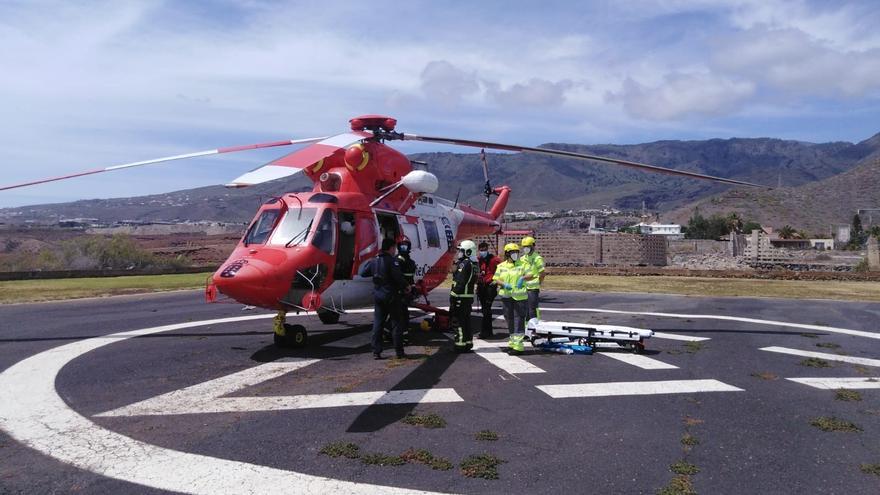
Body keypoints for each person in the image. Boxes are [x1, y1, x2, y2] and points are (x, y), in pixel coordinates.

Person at [370, 238, 407, 359]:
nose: (395, 250)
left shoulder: (374, 260)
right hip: (391, 296)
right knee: (396, 323)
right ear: (391, 248)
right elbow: (398, 278)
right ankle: (399, 352)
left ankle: (376, 351)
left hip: (378, 296)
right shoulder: (392, 261)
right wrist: (407, 286)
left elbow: (364, 272)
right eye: (394, 248)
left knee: (378, 323)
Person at [493, 243, 530, 353]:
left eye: (516, 252)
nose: (515, 254)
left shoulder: (523, 264)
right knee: (509, 318)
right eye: (513, 252)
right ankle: (512, 342)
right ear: (507, 254)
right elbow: (496, 278)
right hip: (506, 296)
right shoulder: (501, 266)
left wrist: (522, 278)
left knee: (519, 319)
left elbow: (531, 274)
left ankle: (518, 346)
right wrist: (504, 284)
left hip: (520, 297)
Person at [450, 239, 478, 352]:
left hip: (460, 296)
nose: (459, 253)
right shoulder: (474, 264)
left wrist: (453, 294)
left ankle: (460, 344)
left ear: (468, 252)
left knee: (458, 321)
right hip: (468, 297)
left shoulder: (465, 264)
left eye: (461, 251)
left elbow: (460, 282)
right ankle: (467, 342)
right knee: (466, 321)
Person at [476, 241, 501, 338]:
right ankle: (488, 331)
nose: (483, 251)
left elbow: (502, 268)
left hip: (490, 286)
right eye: (481, 250)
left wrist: (496, 280)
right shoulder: (479, 260)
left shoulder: (494, 259)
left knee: (486, 309)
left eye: (485, 250)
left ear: (487, 249)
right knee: (485, 310)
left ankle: (484, 332)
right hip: (481, 287)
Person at [519, 236, 545, 321]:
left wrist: (538, 283)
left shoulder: (537, 258)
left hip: (533, 288)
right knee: (524, 309)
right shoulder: (522, 258)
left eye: (528, 247)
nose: (526, 249)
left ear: (533, 246)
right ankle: (526, 328)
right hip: (523, 288)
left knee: (532, 309)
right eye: (524, 247)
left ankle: (534, 328)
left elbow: (542, 274)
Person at [396, 238, 418, 337]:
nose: (403, 248)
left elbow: (409, 278)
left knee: (401, 314)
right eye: (402, 246)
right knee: (402, 313)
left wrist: (412, 288)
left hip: (402, 291)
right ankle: (402, 334)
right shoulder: (407, 261)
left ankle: (401, 335)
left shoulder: (399, 261)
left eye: (405, 246)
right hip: (403, 291)